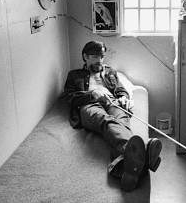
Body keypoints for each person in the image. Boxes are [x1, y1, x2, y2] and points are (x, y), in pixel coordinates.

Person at [63, 41, 162, 191]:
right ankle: (143, 154)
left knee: (122, 120)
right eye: (95, 56)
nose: (100, 60)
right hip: (90, 105)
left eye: (102, 56)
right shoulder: (74, 75)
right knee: (107, 122)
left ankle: (126, 166)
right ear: (85, 57)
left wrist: (123, 97)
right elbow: (70, 97)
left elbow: (121, 90)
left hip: (112, 103)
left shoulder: (110, 72)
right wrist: (92, 93)